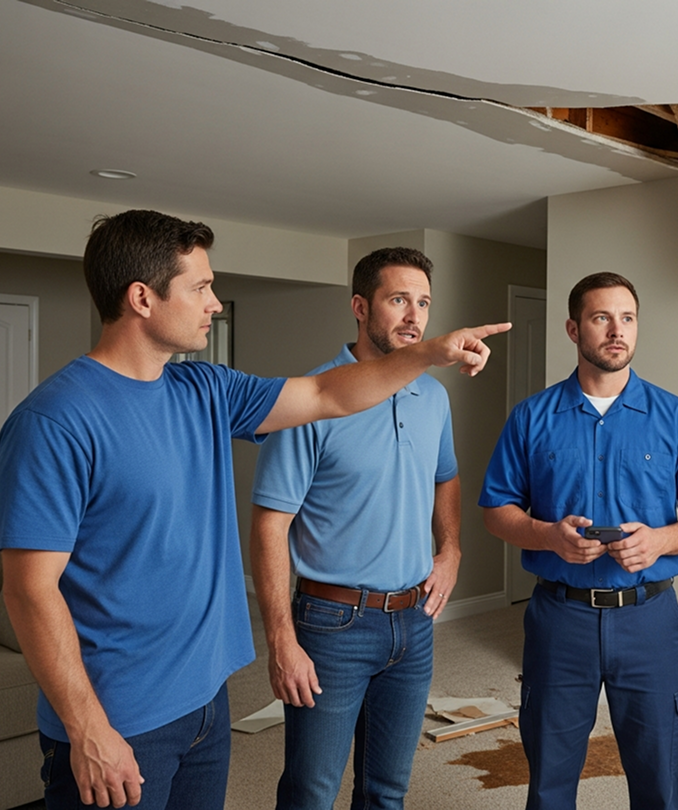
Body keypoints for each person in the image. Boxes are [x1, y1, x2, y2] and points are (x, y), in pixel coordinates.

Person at [0, 209, 508, 810]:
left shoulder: (203, 390)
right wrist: (87, 729)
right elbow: (30, 590)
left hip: (207, 702)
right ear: (141, 297)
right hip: (120, 714)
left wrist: (429, 355)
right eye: (201, 287)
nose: (215, 302)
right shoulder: (54, 422)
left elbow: (325, 393)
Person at [480, 272, 678, 809]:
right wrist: (547, 535)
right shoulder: (530, 418)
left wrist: (660, 541)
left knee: (659, 778)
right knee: (549, 777)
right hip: (559, 621)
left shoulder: (677, 418)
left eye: (628, 318)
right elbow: (495, 512)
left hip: (649, 622)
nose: (618, 331)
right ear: (573, 329)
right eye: (601, 318)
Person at [249, 247, 459, 809]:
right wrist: (280, 641)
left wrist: (452, 549)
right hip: (331, 624)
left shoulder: (434, 396)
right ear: (360, 307)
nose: (415, 316)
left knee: (388, 791)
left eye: (423, 303)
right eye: (399, 300)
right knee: (311, 792)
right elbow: (270, 525)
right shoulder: (310, 398)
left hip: (413, 624)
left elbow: (446, 477)